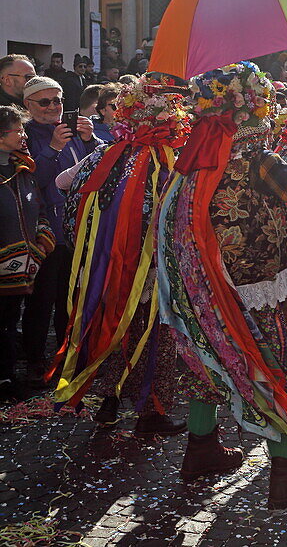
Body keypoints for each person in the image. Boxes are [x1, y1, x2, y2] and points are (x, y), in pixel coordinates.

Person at [157, 62, 287, 508]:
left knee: (206, 366)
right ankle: (284, 472)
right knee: (272, 368)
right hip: (256, 289)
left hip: (205, 290)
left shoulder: (193, 161)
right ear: (252, 108)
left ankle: (200, 450)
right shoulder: (260, 161)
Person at [51, 79, 190, 436]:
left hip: (106, 267)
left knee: (114, 327)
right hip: (150, 269)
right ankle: (150, 412)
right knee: (154, 336)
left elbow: (63, 182)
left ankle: (109, 405)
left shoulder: (106, 154)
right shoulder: (169, 163)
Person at [21, 76, 101, 384]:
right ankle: (35, 359)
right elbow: (34, 180)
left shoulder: (76, 132)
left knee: (73, 295)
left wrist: (91, 141)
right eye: (45, 102)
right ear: (28, 105)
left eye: (58, 101)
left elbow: (95, 167)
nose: (53, 107)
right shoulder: (27, 135)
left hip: (77, 226)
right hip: (46, 229)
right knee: (43, 300)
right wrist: (53, 146)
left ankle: (70, 352)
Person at [0, 106, 54, 399]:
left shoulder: (23, 168)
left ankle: (7, 376)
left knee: (10, 322)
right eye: (17, 131)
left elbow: (40, 208)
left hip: (23, 266)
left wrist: (42, 241)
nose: (23, 135)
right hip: (3, 265)